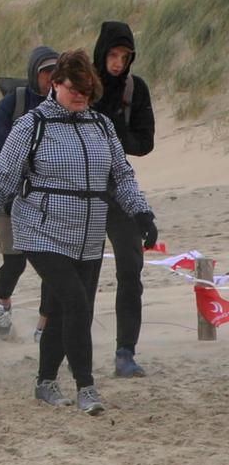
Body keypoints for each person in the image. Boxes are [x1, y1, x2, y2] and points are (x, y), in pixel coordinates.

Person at [0, 50, 157, 416]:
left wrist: (142, 213)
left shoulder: (101, 125)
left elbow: (122, 176)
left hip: (88, 234)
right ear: (55, 84)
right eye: (74, 90)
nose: (81, 97)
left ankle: (45, 381)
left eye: (87, 92)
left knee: (59, 308)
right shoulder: (32, 125)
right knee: (76, 304)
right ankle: (87, 387)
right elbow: (3, 178)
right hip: (40, 229)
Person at [91, 21, 156, 377]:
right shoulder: (82, 85)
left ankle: (125, 353)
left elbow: (145, 142)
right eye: (113, 55)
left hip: (119, 188)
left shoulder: (136, 88)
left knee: (131, 271)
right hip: (80, 192)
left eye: (124, 56)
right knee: (79, 274)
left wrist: (118, 135)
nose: (118, 62)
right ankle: (61, 343)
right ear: (101, 53)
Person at [0, 46, 59, 340]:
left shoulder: (66, 105)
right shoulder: (11, 106)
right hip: (11, 199)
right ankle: (3, 301)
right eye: (46, 72)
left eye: (57, 72)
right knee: (14, 262)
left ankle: (44, 325)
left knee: (52, 267)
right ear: (34, 73)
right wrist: (17, 184)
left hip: (50, 201)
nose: (52, 78)